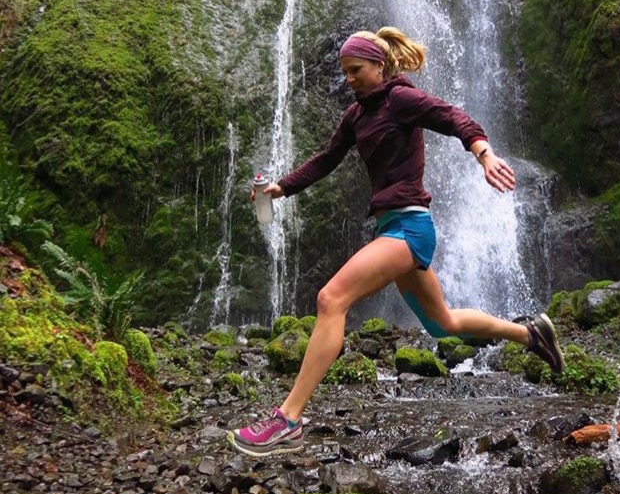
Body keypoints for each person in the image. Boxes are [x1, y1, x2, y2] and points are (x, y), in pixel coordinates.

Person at [228, 27, 564, 457]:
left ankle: (288, 420)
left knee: (331, 299)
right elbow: (327, 159)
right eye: (345, 72)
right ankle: (530, 334)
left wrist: (485, 155)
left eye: (356, 70)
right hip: (392, 228)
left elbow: (453, 117)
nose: (349, 79)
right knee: (444, 324)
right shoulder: (357, 116)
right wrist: (282, 188)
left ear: (381, 65)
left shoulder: (401, 99)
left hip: (411, 227)